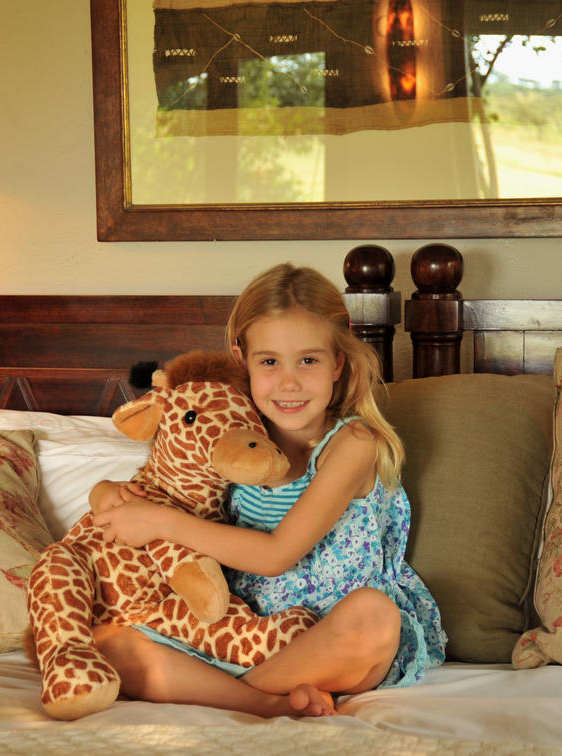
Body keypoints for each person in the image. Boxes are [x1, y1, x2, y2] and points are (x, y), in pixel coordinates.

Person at [91, 262, 446, 718]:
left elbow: (277, 554)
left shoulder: (353, 444)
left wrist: (161, 522)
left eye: (308, 360)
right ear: (242, 360)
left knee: (375, 616)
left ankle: (235, 694)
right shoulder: (232, 437)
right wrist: (109, 497)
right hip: (241, 630)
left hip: (329, 634)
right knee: (103, 642)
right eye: (270, 362)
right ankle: (273, 702)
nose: (289, 382)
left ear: (338, 362)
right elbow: (169, 484)